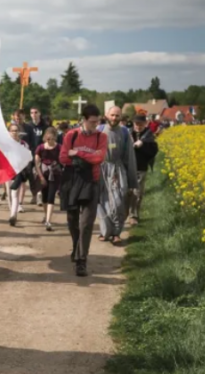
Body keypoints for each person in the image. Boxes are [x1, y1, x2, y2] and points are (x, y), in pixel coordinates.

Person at [59, 104, 108, 277]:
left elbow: (99, 157)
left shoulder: (101, 137)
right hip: (72, 181)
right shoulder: (71, 135)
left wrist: (78, 154)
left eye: (98, 121)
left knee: (86, 223)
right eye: (93, 122)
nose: (96, 124)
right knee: (72, 221)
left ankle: (81, 261)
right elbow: (63, 157)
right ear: (84, 120)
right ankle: (76, 246)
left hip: (91, 182)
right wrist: (86, 156)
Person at [96, 105, 138, 245]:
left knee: (118, 202)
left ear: (121, 117)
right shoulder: (99, 130)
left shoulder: (125, 132)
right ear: (106, 115)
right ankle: (106, 231)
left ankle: (117, 232)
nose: (114, 118)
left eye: (117, 115)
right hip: (101, 169)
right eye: (112, 115)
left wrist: (132, 181)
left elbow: (130, 157)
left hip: (118, 170)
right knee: (102, 202)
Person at [129, 114, 158, 225]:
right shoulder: (127, 133)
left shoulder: (149, 136)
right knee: (126, 192)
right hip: (127, 167)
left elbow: (153, 151)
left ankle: (134, 216)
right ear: (133, 124)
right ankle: (124, 213)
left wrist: (143, 145)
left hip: (141, 167)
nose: (138, 126)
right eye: (136, 124)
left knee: (137, 192)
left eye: (141, 124)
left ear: (145, 124)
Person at [35, 127, 62, 231]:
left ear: (55, 137)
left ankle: (48, 221)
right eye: (47, 138)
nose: (49, 140)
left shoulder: (59, 147)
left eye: (51, 138)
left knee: (51, 197)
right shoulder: (40, 148)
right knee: (44, 197)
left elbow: (63, 159)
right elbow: (37, 164)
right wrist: (41, 177)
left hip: (55, 174)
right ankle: (46, 215)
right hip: (43, 173)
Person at [6, 123, 31, 227]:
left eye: (16, 130)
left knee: (14, 193)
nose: (15, 133)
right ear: (9, 132)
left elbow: (28, 157)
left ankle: (13, 215)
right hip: (8, 171)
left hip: (19, 171)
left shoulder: (24, 144)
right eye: (12, 131)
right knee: (9, 193)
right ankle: (12, 210)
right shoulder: (6, 144)